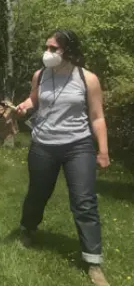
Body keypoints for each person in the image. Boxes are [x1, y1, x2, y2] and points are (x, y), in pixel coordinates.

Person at [15, 30, 110, 286]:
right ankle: (28, 229)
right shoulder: (41, 75)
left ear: (68, 51)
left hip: (78, 146)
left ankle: (93, 261)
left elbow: (97, 116)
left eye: (54, 48)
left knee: (84, 201)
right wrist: (24, 106)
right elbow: (34, 100)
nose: (47, 53)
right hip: (43, 145)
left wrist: (102, 151)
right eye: (46, 47)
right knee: (38, 193)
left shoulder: (87, 79)